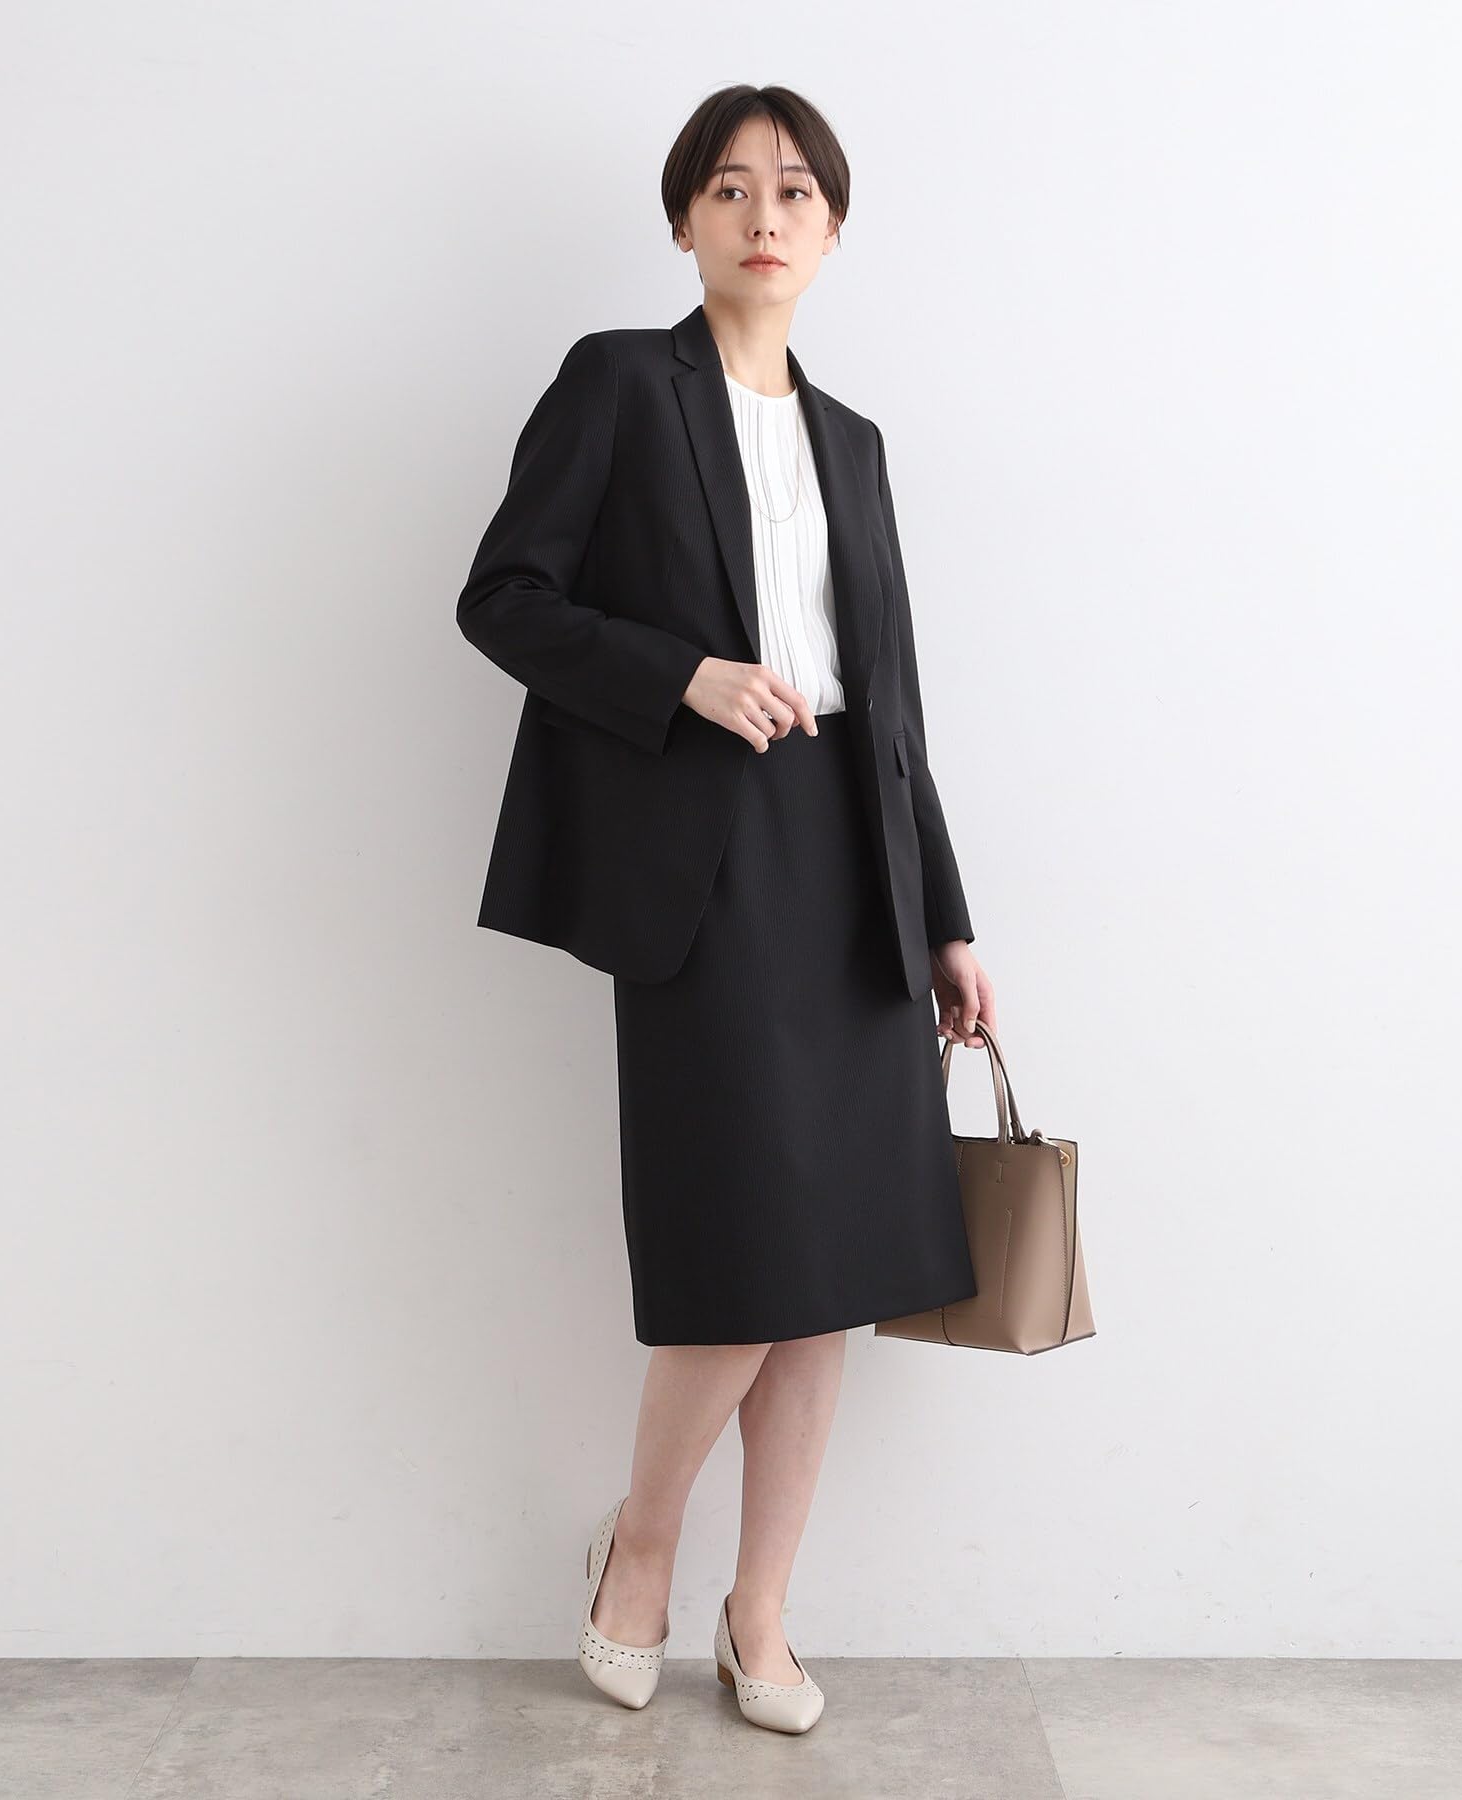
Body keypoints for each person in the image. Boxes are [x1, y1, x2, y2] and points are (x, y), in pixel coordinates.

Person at [455, 83, 996, 1734]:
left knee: (834, 1269)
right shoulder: (622, 383)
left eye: (798, 191)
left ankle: (760, 1613)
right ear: (684, 217)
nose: (767, 216)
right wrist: (683, 675)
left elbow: (894, 711)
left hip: (855, 867)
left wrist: (951, 918)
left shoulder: (858, 445)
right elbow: (504, 598)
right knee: (740, 1256)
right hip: (708, 864)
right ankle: (642, 1547)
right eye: (733, 187)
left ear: (833, 228)